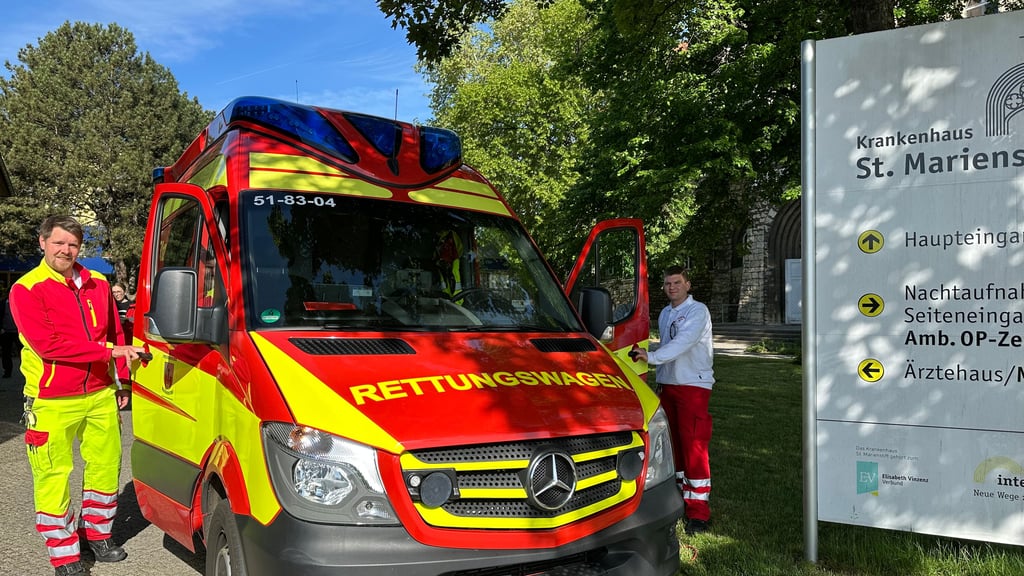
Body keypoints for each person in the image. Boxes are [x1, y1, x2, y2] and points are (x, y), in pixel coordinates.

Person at [10, 215, 145, 576]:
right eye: (58, 243)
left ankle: (97, 535)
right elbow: (48, 345)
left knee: (106, 466)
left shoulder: (98, 283)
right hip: (50, 398)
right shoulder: (26, 288)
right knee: (53, 475)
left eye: (72, 245)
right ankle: (65, 555)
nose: (65, 251)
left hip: (101, 392)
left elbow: (117, 335)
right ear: (42, 243)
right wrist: (107, 353)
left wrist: (122, 382)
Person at [633, 266, 715, 535]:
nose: (672, 287)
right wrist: (646, 353)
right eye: (668, 283)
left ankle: (699, 512)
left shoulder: (697, 311)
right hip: (669, 385)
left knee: (694, 445)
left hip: (693, 385)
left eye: (677, 282)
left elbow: (683, 342)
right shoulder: (666, 312)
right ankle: (680, 496)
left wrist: (652, 358)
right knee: (673, 446)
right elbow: (665, 344)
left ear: (688, 285)